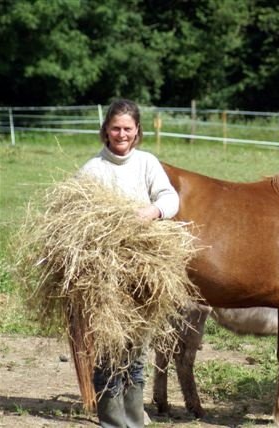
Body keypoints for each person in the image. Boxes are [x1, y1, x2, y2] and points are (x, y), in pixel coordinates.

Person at [78, 99, 180, 428]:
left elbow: (169, 198)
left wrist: (151, 212)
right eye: (115, 128)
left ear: (137, 132)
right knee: (108, 348)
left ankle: (135, 419)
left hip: (143, 269)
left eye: (128, 129)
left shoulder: (147, 163)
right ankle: (111, 420)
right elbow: (77, 214)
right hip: (105, 272)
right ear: (105, 130)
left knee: (136, 349)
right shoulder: (93, 169)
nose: (121, 134)